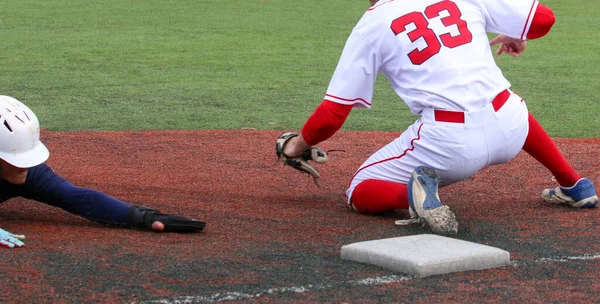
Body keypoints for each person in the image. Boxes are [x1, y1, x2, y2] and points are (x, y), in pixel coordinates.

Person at [276, 0, 598, 235]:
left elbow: (333, 114)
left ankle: (412, 197)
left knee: (359, 187)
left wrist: (296, 145)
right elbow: (544, 19)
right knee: (506, 102)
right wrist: (517, 34)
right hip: (510, 128)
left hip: (451, 146)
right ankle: (575, 185)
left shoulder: (372, 24)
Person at [0, 95, 205, 248]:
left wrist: (141, 217)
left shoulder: (28, 173)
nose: (24, 165)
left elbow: (74, 197)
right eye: (16, 158)